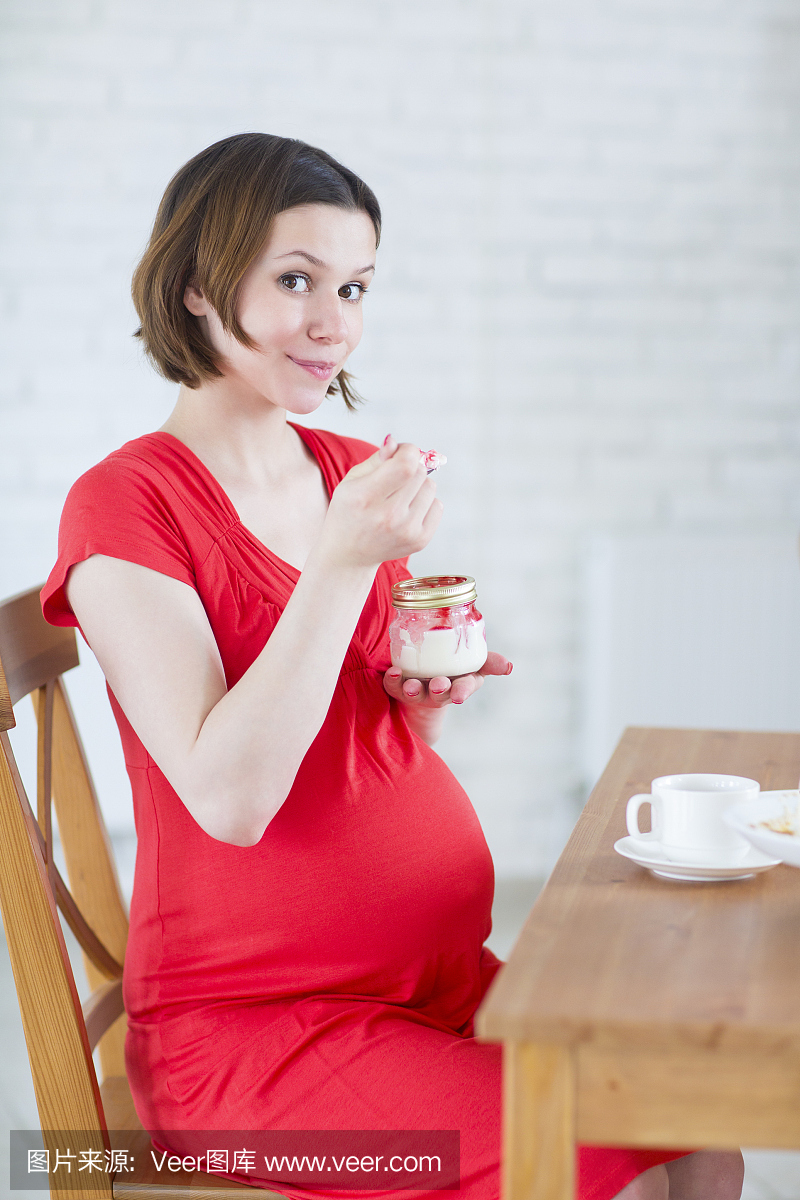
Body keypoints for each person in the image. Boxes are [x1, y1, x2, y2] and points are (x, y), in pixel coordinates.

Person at [41, 134, 743, 1200]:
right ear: (192, 288)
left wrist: (418, 709)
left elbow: (344, 745)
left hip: (433, 979)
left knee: (696, 1115)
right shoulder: (125, 505)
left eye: (355, 287)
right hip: (256, 1038)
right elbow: (230, 797)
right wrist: (338, 562)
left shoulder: (340, 471)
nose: (335, 325)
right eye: (295, 281)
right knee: (589, 1141)